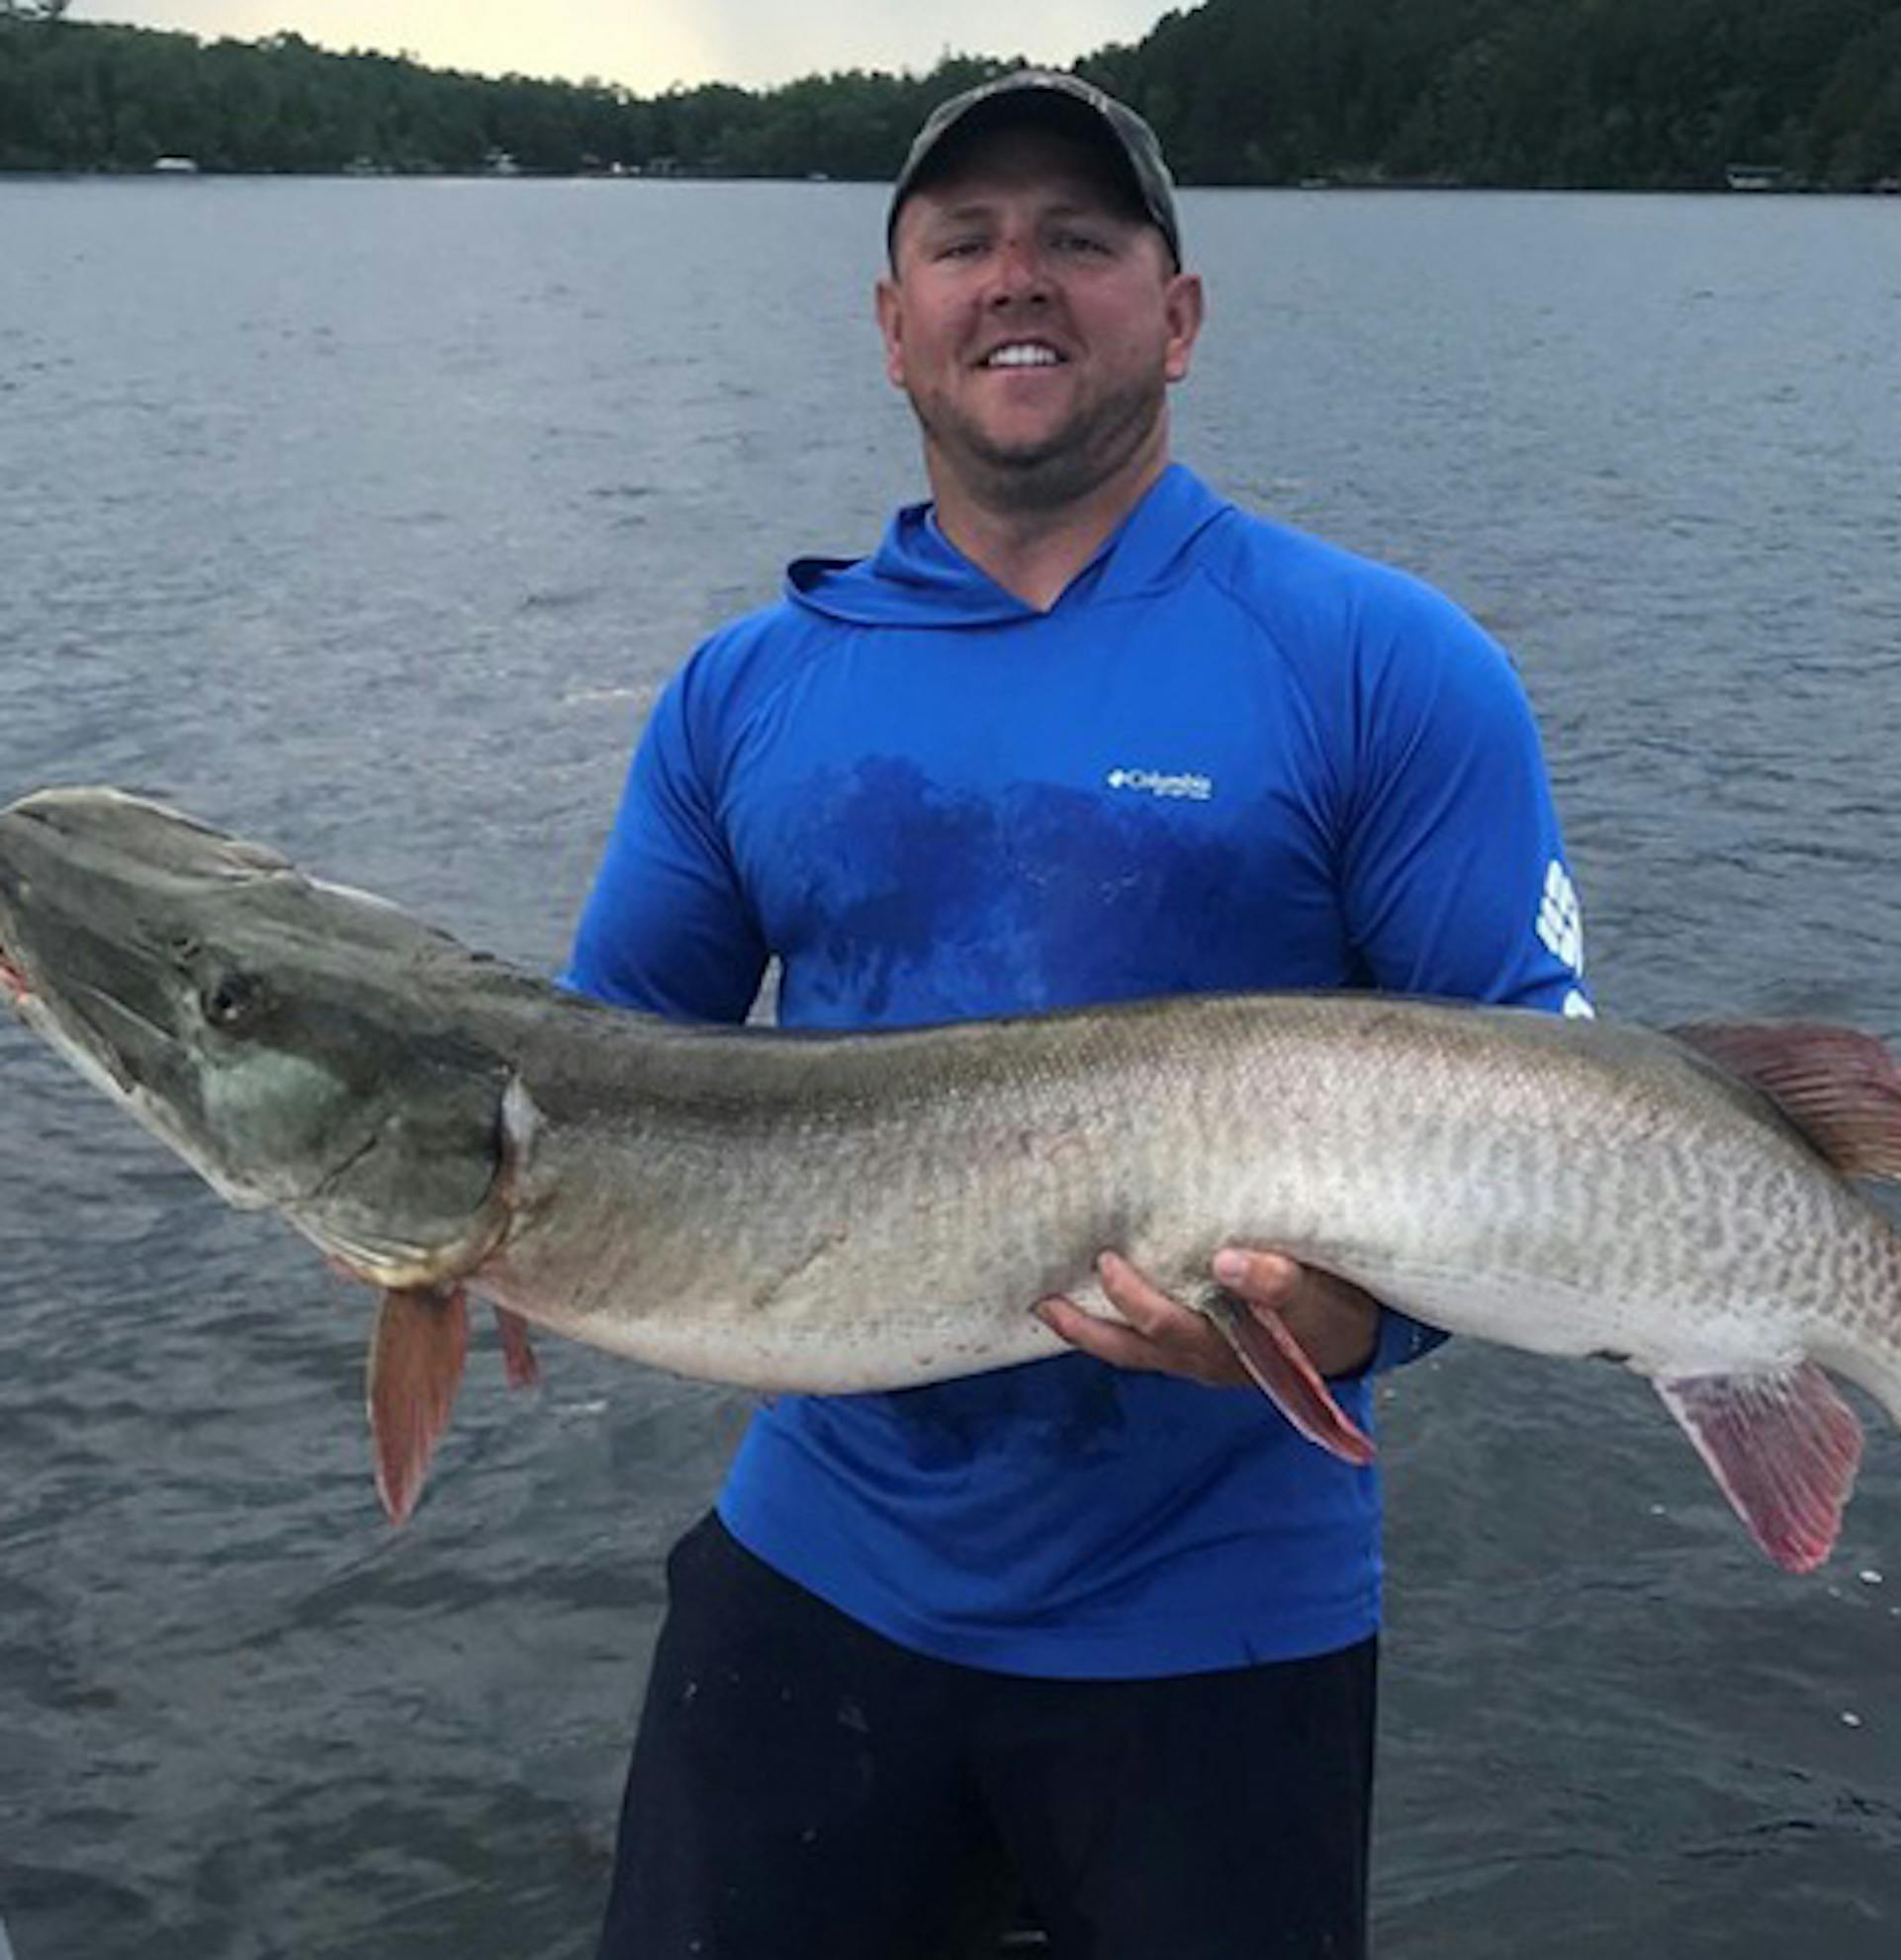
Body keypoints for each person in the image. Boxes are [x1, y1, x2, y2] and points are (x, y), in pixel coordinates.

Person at [566, 69, 1591, 1960]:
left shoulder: (1388, 666)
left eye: (1080, 239)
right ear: (892, 326)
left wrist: (1359, 1321)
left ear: (1179, 313)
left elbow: (1548, 1130)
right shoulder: (740, 694)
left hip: (1224, 1629)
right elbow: (597, 1089)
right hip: (816, 1578)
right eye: (962, 243)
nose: (1014, 278)